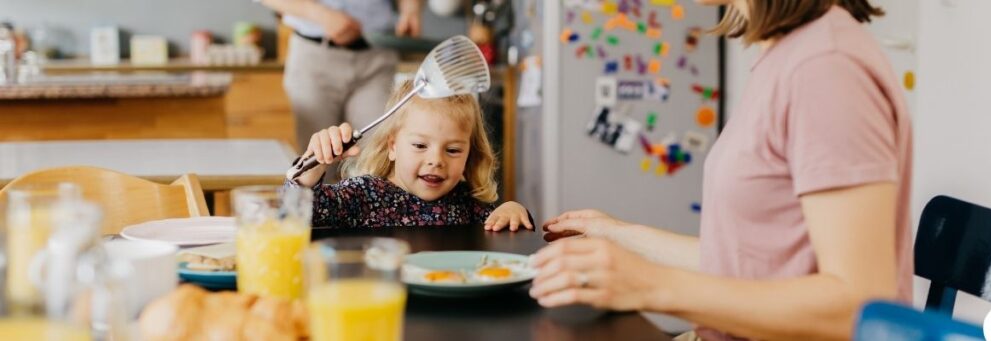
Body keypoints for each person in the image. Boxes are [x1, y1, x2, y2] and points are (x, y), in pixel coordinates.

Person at [530, 1, 912, 340]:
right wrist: (619, 235)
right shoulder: (786, 54)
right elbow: (753, 265)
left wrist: (650, 286)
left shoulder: (825, 68)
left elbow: (858, 307)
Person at [289, 80, 533, 231]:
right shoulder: (364, 194)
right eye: (419, 145)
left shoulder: (468, 202)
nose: (436, 160)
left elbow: (501, 226)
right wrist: (310, 172)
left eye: (453, 150)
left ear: (470, 154)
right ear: (392, 146)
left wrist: (511, 209)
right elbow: (294, 216)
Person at [260, 0, 422, 181]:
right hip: (314, 57)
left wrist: (410, 9)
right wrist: (321, 14)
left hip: (378, 55)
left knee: (378, 158)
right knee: (317, 161)